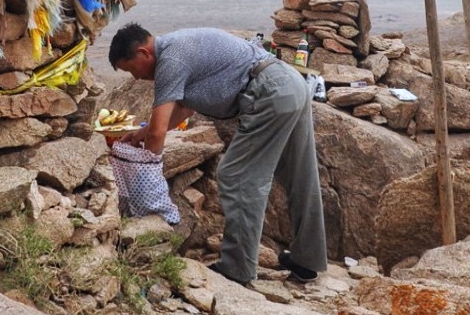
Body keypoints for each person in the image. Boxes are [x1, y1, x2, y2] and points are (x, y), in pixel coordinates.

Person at [108, 23, 326, 285]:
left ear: (144, 53)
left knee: (236, 176)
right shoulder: (178, 47)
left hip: (269, 92)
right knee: (299, 175)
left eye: (132, 69)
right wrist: (140, 134)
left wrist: (146, 171)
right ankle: (307, 260)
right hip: (290, 84)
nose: (136, 78)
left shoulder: (171, 60)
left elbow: (158, 136)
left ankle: (237, 269)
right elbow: (184, 109)